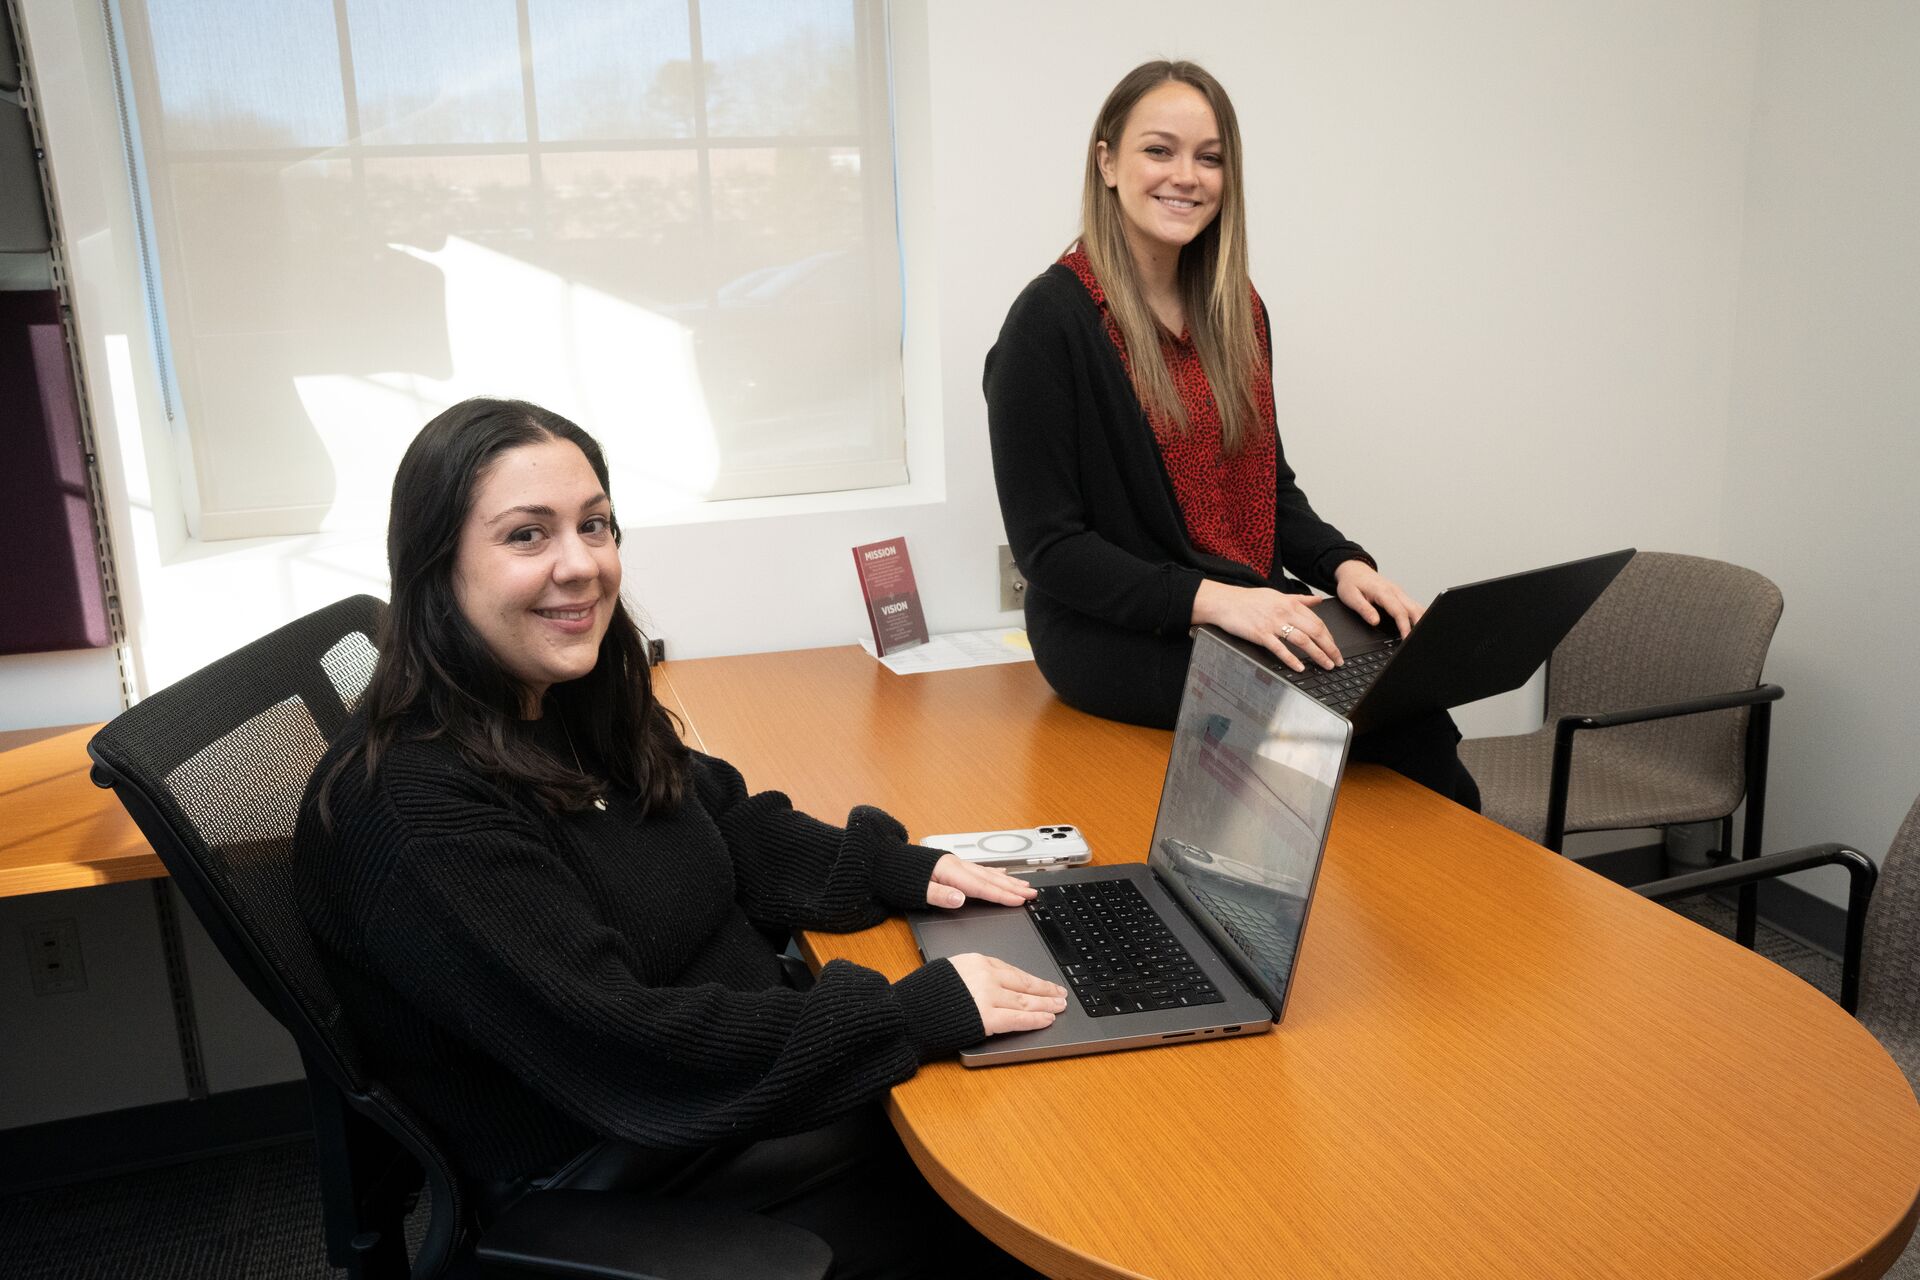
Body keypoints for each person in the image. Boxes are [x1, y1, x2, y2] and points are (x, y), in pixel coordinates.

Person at [294, 398, 1061, 1278]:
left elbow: (717, 816)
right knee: (1033, 1179)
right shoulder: (417, 808)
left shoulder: (560, 694)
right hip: (640, 1162)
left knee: (1043, 1090)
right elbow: (625, 1043)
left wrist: (892, 869)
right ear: (437, 568)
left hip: (728, 1084)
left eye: (595, 525)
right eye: (526, 537)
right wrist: (906, 1014)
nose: (580, 565)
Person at [985, 60, 1478, 808]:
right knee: (1371, 730)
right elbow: (1050, 550)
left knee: (1413, 705)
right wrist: (1214, 601)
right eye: (1159, 150)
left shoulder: (1236, 310)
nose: (1186, 176)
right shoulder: (1048, 324)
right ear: (1108, 161)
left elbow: (1266, 491)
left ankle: (1457, 912)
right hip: (1112, 635)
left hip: (1242, 606)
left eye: (1209, 158)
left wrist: (1343, 565)